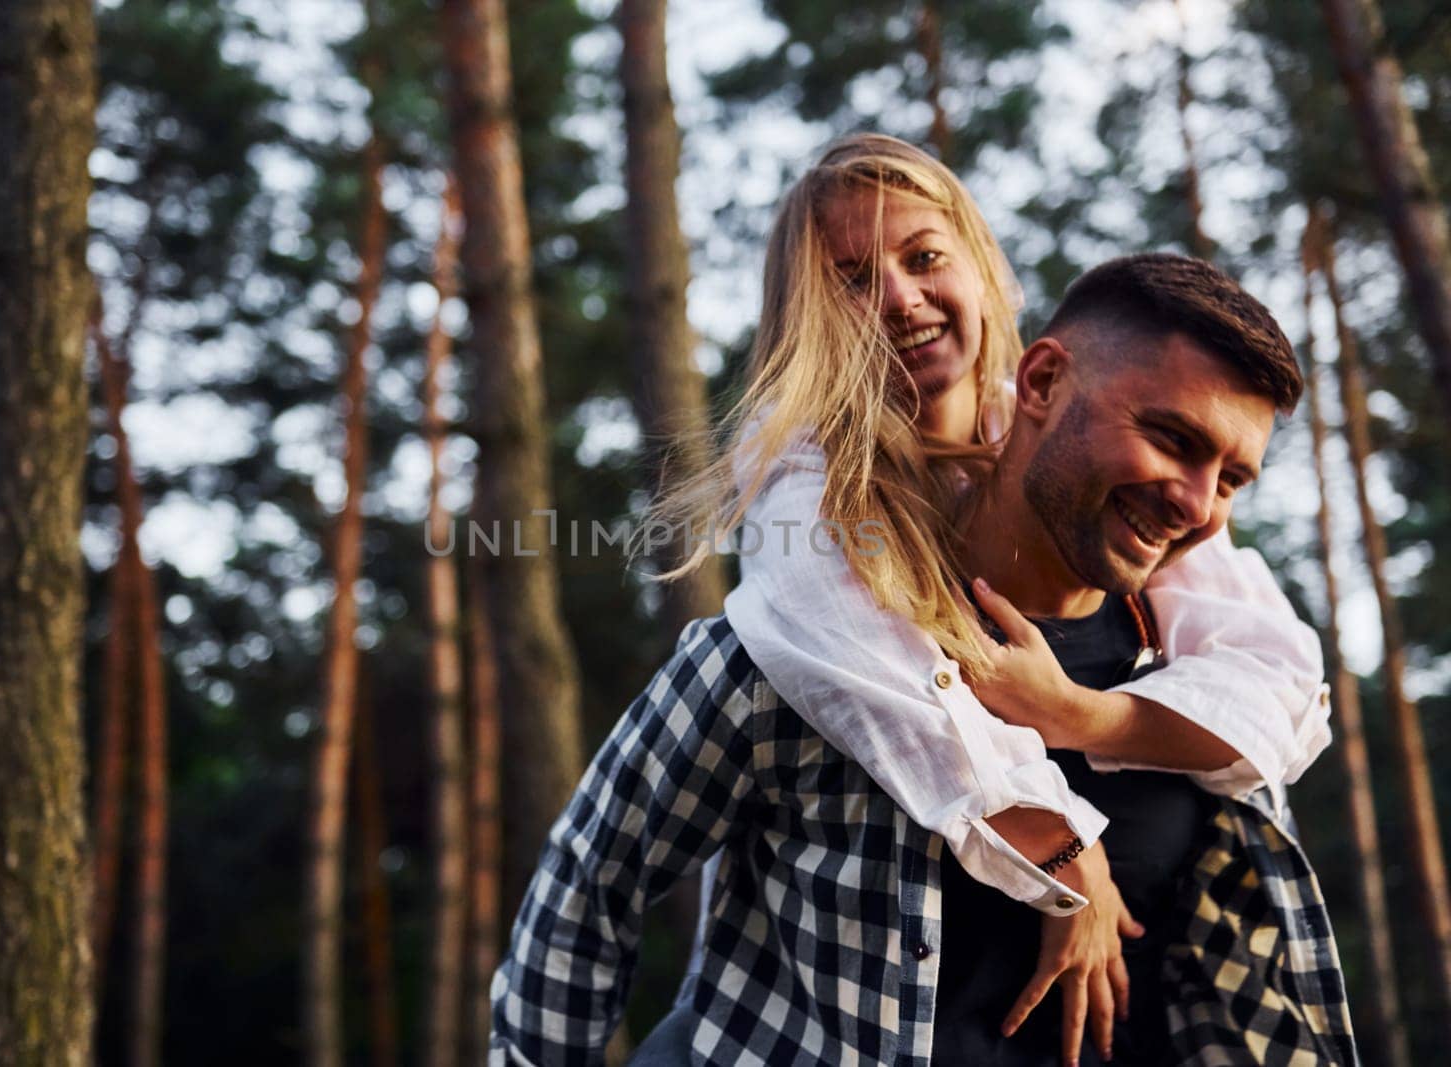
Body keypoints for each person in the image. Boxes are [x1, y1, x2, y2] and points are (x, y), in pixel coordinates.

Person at [489, 253, 1354, 1064]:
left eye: (1232, 478)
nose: (1197, 503)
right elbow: (583, 891)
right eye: (1171, 437)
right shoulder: (797, 651)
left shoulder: (1195, 685)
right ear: (1044, 380)